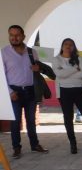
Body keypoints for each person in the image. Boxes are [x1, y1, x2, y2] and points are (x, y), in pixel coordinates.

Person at [1, 25, 52, 159]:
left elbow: (37, 70)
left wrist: (37, 69)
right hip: (14, 92)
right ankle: (16, 148)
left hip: (30, 91)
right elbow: (1, 76)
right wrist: (10, 92)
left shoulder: (32, 52)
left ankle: (35, 145)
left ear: (23, 36)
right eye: (11, 35)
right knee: (15, 121)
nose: (14, 38)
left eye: (17, 35)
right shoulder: (4, 53)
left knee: (31, 120)